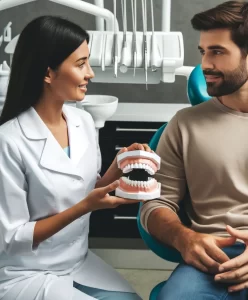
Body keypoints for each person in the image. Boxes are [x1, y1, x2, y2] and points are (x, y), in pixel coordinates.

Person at [140, 1, 248, 299]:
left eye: (217, 52)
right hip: (211, 259)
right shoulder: (184, 125)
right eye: (203, 51)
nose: (204, 64)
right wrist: (184, 238)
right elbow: (155, 205)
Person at [0, 16, 147, 300]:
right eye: (80, 64)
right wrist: (85, 207)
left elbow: (83, 188)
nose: (90, 73)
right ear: (48, 74)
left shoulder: (83, 122)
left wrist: (118, 166)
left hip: (76, 260)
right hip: (24, 272)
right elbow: (11, 238)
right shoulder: (9, 141)